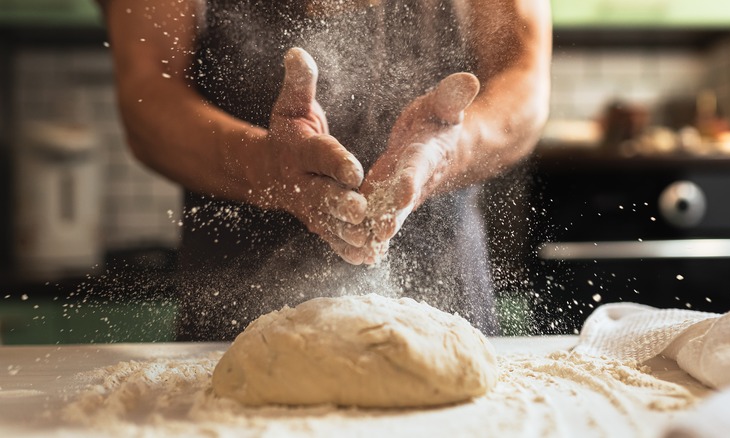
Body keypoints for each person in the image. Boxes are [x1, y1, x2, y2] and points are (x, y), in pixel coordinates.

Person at [97, 0, 551, 340]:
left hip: (447, 307)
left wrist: (449, 149)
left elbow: (524, 82)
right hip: (234, 320)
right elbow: (146, 99)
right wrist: (265, 167)